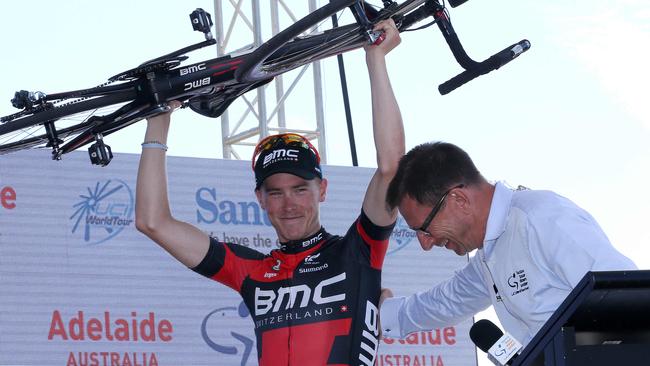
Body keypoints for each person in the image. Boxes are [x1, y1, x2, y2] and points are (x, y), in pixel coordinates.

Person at [135, 20, 404, 366]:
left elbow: (392, 169)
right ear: (260, 199)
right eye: (275, 193)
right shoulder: (252, 271)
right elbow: (152, 221)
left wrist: (376, 59)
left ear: (322, 190)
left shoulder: (357, 254)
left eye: (299, 189)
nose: (288, 204)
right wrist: (159, 119)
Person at [379, 141, 637, 346]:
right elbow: (446, 301)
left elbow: (629, 301)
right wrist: (381, 317)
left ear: (458, 199)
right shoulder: (489, 256)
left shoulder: (542, 218)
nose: (425, 244)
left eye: (424, 229)